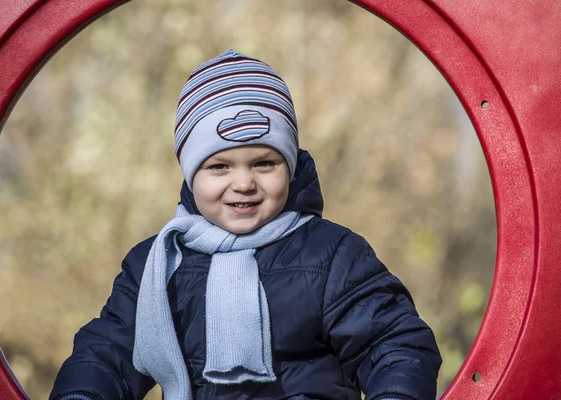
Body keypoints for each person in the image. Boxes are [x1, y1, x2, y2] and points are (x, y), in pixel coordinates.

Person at [50, 50, 441, 400]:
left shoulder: (332, 256)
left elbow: (392, 343)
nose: (243, 183)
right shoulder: (157, 265)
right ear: (190, 175)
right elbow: (107, 353)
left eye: (264, 163)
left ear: (289, 168)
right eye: (219, 166)